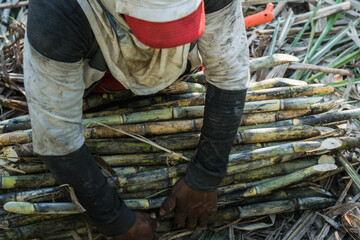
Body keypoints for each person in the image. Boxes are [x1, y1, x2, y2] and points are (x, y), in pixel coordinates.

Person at [24, 0, 249, 239]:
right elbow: (56, 135)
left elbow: (229, 74)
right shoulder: (59, 11)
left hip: (178, 80)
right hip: (94, 90)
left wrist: (206, 175)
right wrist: (114, 220)